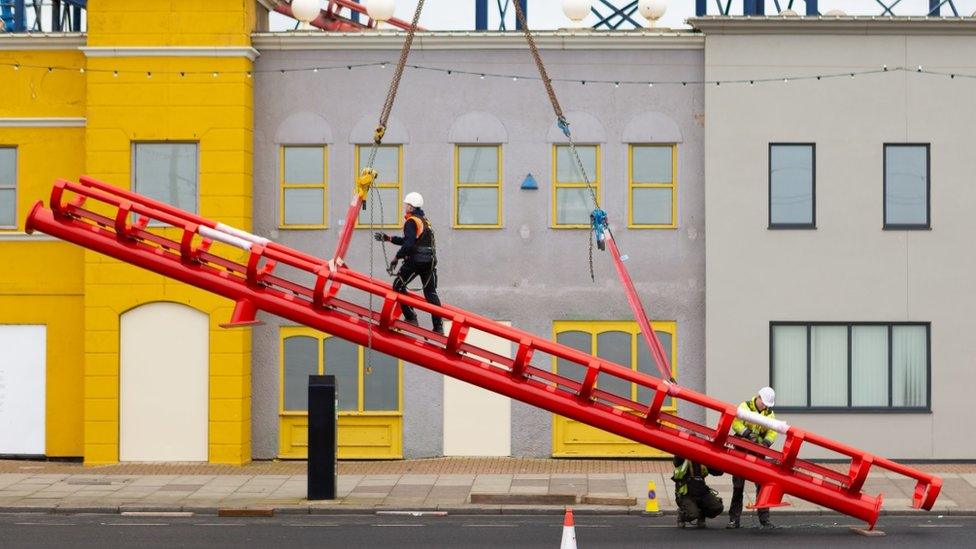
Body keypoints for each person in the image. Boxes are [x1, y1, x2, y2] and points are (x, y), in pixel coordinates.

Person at [373, 192, 443, 334]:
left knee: (398, 285)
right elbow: (411, 241)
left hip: (415, 261)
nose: (405, 207)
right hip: (429, 262)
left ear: (411, 207)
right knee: (430, 293)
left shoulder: (411, 221)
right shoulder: (424, 221)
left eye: (406, 205)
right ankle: (438, 326)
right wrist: (389, 238)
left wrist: (397, 258)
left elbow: (409, 244)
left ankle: (411, 317)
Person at [727, 386, 777, 529]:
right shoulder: (745, 407)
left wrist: (767, 442)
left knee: (761, 485)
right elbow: (735, 423)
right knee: (738, 486)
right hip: (741, 449)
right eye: (764, 403)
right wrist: (747, 433)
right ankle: (733, 520)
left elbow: (772, 431)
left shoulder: (769, 413)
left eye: (768, 404)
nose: (765, 406)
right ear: (759, 397)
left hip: (758, 451)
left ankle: (764, 520)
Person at [672, 456, 724, 528]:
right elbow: (676, 461)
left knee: (717, 507)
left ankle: (701, 516)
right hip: (686, 495)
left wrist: (720, 461)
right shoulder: (682, 459)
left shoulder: (703, 458)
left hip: (702, 492)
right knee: (693, 514)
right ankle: (682, 515)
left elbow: (718, 472)